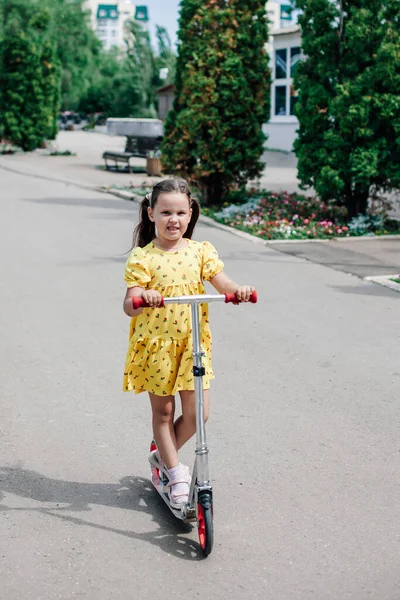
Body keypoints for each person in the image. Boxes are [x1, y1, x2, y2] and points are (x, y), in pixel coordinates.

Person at [123, 178, 255, 508]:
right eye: (166, 212)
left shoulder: (200, 251)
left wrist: (236, 290)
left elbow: (221, 280)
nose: (174, 220)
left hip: (192, 344)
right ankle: (175, 471)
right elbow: (129, 303)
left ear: (190, 212)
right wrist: (144, 295)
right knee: (164, 413)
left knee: (199, 415)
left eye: (181, 212)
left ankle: (161, 456)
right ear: (151, 213)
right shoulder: (144, 257)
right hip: (157, 345)